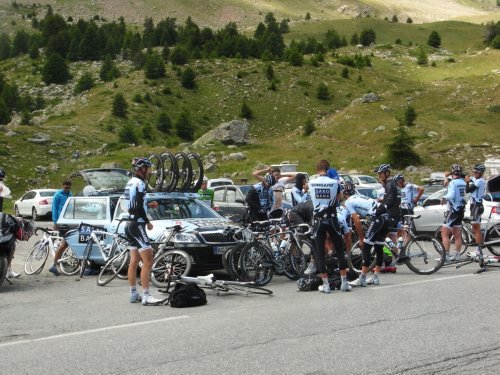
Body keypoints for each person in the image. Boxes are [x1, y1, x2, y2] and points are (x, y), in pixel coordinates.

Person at [349, 164, 400, 287]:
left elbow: (388, 201)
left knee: (366, 247)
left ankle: (362, 277)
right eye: (378, 173)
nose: (379, 175)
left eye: (381, 173)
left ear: (387, 173)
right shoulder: (391, 184)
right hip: (386, 219)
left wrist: (378, 211)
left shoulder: (389, 184)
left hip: (379, 218)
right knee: (378, 247)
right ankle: (376, 277)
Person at [308, 159, 351, 293]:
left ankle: (325, 285)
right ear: (328, 169)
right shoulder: (335, 183)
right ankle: (344, 283)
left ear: (317, 169)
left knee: (320, 253)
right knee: (339, 251)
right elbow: (339, 198)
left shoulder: (311, 182)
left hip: (318, 221)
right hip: (332, 219)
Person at [125, 157, 161, 306]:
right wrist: (148, 222)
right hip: (138, 224)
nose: (150, 172)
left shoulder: (130, 182)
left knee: (134, 261)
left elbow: (134, 203)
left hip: (129, 223)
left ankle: (134, 293)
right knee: (148, 260)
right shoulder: (140, 183)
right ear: (141, 169)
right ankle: (146, 295)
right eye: (148, 168)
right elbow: (138, 207)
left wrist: (148, 203)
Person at [441, 164, 467, 262]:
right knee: (457, 235)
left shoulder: (453, 183)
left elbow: (451, 195)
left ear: (452, 173)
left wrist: (444, 197)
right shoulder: (463, 182)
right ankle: (457, 255)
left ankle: (446, 256)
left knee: (444, 234)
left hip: (452, 210)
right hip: (460, 209)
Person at [48, 179, 73, 276]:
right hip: (60, 222)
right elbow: (54, 208)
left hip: (69, 222)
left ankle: (59, 262)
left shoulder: (70, 194)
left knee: (66, 244)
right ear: (62, 185)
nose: (67, 187)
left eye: (68, 186)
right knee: (64, 244)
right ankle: (54, 265)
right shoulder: (58, 195)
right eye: (65, 185)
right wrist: (55, 222)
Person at [1, 213, 35, 280]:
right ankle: (8, 270)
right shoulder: (17, 223)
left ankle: (8, 270)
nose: (27, 238)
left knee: (12, 245)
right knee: (12, 246)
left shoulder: (12, 220)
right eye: (27, 235)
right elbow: (21, 236)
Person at [465, 163, 486, 257]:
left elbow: (468, 190)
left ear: (480, 173)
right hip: (473, 205)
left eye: (475, 172)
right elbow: (468, 177)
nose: (474, 173)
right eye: (473, 171)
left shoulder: (480, 181)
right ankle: (480, 244)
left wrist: (466, 182)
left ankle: (479, 250)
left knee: (476, 228)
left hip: (477, 205)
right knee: (475, 228)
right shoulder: (476, 179)